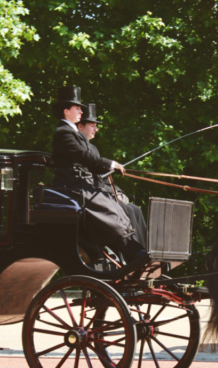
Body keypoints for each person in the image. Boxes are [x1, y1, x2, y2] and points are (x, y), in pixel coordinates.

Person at [51, 86, 147, 265]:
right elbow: (84, 157)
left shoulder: (72, 133)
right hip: (72, 186)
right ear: (66, 111)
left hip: (82, 184)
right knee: (111, 209)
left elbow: (90, 161)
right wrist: (110, 163)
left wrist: (109, 168)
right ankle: (133, 254)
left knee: (117, 206)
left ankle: (136, 251)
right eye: (77, 108)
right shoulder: (63, 134)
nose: (81, 111)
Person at [76, 103, 148, 249]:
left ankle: (145, 248)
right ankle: (134, 250)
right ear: (80, 126)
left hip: (98, 188)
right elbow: (91, 170)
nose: (96, 129)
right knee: (127, 210)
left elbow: (98, 173)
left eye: (96, 126)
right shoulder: (77, 146)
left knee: (136, 209)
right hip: (86, 191)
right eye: (92, 125)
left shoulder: (93, 148)